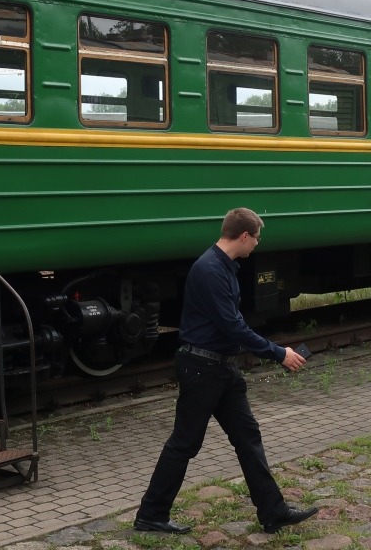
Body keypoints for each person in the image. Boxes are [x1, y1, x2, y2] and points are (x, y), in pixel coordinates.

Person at [134, 207, 318, 535]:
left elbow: (232, 323)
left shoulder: (225, 267)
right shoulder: (209, 269)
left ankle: (273, 512)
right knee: (185, 442)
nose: (257, 245)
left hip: (221, 369)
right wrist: (279, 353)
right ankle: (151, 514)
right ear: (244, 235)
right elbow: (232, 325)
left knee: (248, 438)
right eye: (256, 239)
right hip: (202, 369)